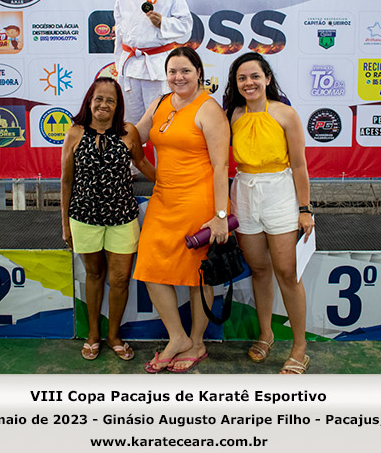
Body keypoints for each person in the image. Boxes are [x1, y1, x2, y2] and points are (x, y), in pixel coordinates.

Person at [133, 47, 230, 373]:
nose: (178, 77)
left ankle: (197, 343)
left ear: (199, 72)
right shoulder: (160, 103)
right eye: (173, 71)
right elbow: (137, 135)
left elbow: (221, 167)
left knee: (197, 276)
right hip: (163, 199)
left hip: (198, 202)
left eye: (185, 70)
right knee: (149, 267)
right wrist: (100, 125)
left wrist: (220, 216)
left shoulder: (209, 109)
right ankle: (178, 337)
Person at [223, 53, 315, 375]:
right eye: (242, 78)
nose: (249, 83)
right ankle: (266, 334)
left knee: (287, 273)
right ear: (236, 83)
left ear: (268, 79)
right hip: (244, 192)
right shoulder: (232, 115)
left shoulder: (285, 114)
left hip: (280, 192)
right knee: (259, 270)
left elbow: (300, 165)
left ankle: (300, 348)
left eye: (254, 76)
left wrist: (304, 209)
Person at [60, 77, 155, 361]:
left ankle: (114, 336)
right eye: (98, 98)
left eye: (110, 100)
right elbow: (66, 181)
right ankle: (93, 335)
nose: (104, 104)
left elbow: (142, 163)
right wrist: (65, 225)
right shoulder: (75, 133)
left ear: (118, 105)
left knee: (121, 279)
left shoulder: (128, 132)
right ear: (89, 101)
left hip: (122, 217)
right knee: (94, 275)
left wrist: (172, 185)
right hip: (84, 217)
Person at [114, 0, 193, 125]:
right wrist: (119, 66)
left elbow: (186, 27)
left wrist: (163, 23)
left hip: (158, 67)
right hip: (130, 68)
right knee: (130, 123)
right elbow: (119, 36)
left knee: (160, 121)